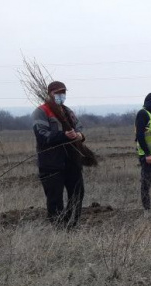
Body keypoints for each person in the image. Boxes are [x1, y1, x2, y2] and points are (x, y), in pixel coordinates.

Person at [32, 81, 86, 228]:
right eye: (57, 93)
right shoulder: (41, 111)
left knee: (78, 194)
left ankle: (71, 226)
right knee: (55, 199)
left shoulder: (68, 111)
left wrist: (80, 135)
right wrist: (64, 136)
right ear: (50, 93)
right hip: (51, 164)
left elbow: (79, 127)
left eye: (63, 92)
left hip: (72, 162)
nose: (61, 95)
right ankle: (59, 229)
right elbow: (42, 136)